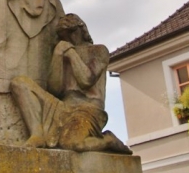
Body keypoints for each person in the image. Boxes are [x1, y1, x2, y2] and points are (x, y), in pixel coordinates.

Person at [10, 14, 131, 154]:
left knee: (72, 143)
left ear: (82, 29)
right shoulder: (62, 53)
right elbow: (54, 90)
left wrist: (72, 54)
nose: (70, 38)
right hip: (63, 108)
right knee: (19, 83)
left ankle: (108, 140)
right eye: (64, 35)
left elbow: (86, 80)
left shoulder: (99, 51)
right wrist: (57, 55)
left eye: (72, 32)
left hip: (88, 111)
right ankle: (37, 134)